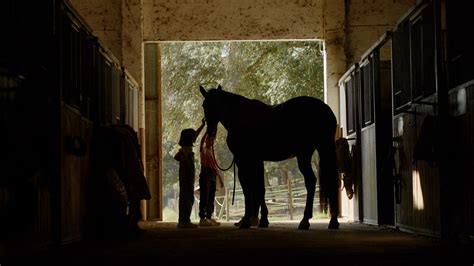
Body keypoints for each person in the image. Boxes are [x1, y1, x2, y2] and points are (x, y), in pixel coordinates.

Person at [174, 118, 205, 229]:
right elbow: (179, 159)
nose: (194, 138)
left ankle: (183, 220)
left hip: (187, 177)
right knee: (187, 198)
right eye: (192, 137)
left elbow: (195, 134)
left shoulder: (184, 148)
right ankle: (184, 221)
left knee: (187, 197)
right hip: (187, 177)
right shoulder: (185, 151)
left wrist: (202, 125)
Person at [198, 132, 224, 226]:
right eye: (209, 140)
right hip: (205, 172)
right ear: (206, 140)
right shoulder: (203, 149)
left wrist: (220, 178)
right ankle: (202, 218)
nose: (211, 141)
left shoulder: (213, 153)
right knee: (204, 195)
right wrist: (207, 132)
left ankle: (209, 217)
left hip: (212, 174)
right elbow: (201, 142)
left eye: (212, 140)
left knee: (211, 196)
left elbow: (215, 166)